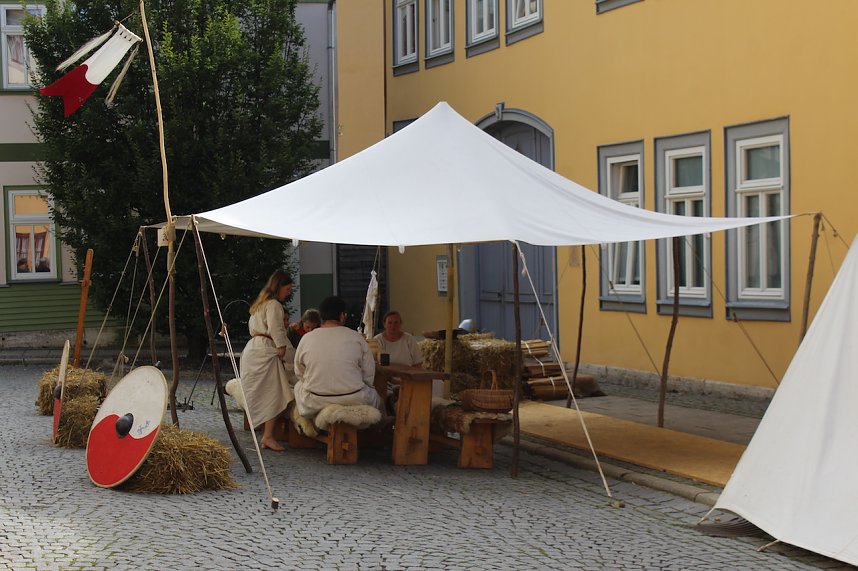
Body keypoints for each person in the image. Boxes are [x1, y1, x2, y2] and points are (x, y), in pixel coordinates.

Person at [293, 295, 383, 418]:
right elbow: (368, 374)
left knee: (298, 386)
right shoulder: (356, 337)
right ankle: (382, 430)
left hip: (315, 402)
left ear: (321, 317)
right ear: (342, 316)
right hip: (355, 399)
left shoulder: (306, 338)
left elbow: (299, 372)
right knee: (377, 398)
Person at [238, 270, 296, 452]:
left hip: (254, 349)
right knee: (274, 392)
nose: (288, 292)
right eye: (287, 288)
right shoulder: (273, 305)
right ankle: (268, 435)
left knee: (270, 392)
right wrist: (281, 347)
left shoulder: (259, 305)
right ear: (279, 287)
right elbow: (276, 328)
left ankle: (267, 434)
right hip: (264, 350)